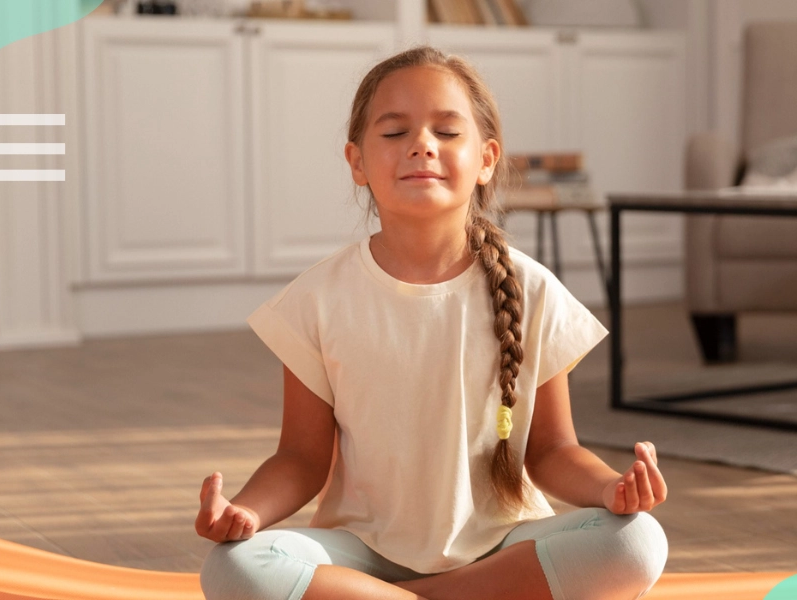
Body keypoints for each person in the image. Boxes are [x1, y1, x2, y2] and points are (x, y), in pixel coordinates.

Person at [196, 45, 668, 600]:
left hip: (501, 546)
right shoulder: (317, 297)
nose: (421, 144)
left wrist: (612, 490)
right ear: (357, 162)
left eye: (447, 132)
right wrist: (245, 512)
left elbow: (551, 452)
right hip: (362, 551)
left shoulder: (531, 288)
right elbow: (300, 458)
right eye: (395, 133)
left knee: (636, 542)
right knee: (235, 568)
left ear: (487, 158)